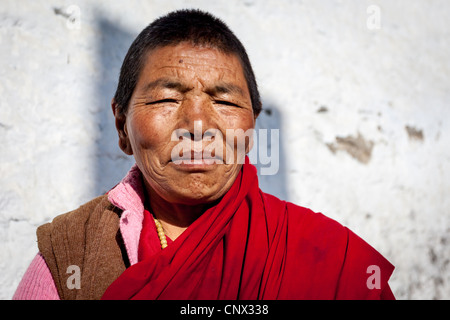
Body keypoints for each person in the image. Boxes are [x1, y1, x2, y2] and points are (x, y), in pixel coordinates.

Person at [13, 9, 394, 300]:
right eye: (166, 98)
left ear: (252, 128)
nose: (197, 124)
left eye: (224, 100)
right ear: (120, 126)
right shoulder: (71, 255)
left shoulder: (324, 254)